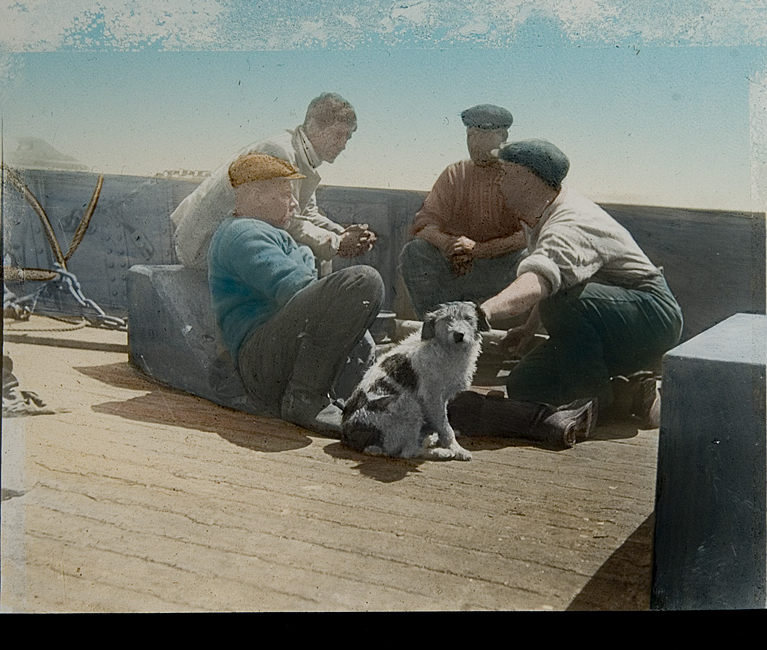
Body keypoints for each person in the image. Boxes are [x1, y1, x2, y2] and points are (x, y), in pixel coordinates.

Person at [472, 138, 684, 428]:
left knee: (563, 303)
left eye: (504, 174)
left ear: (527, 180)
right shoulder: (536, 214)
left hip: (651, 317)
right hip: (611, 320)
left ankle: (591, 403)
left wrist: (479, 313)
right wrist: (529, 328)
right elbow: (558, 277)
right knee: (525, 385)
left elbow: (539, 281)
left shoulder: (570, 223)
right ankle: (632, 394)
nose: (497, 182)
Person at [207, 152, 384, 437]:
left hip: (275, 357)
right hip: (259, 362)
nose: (295, 203)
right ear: (255, 197)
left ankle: (327, 394)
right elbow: (295, 288)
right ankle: (305, 399)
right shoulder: (244, 233)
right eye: (286, 195)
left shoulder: (265, 231)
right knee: (363, 281)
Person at [172, 92, 377, 274]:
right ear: (313, 125)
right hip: (202, 246)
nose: (343, 145)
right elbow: (285, 219)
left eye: (347, 138)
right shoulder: (280, 152)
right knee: (304, 256)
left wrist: (344, 233)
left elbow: (307, 214)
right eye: (338, 134)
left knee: (310, 256)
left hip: (228, 239)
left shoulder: (303, 156)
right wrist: (338, 243)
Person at [398, 104, 528, 319]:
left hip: (499, 267)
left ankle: (510, 335)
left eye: (482, 135)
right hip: (456, 268)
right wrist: (450, 245)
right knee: (415, 251)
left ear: (503, 136)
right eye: (470, 135)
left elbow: (527, 234)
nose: (474, 143)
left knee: (527, 260)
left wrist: (480, 250)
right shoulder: (455, 173)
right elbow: (424, 224)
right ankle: (433, 326)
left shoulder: (517, 175)